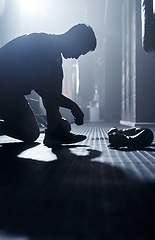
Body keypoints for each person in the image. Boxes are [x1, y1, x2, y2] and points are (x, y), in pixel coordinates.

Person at [0, 24, 97, 146]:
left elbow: (49, 91)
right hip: (3, 90)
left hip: (10, 92)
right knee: (30, 133)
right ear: (73, 39)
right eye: (79, 51)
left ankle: (54, 130)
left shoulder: (55, 56)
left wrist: (56, 118)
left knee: (56, 71)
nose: (76, 56)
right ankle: (54, 128)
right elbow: (41, 87)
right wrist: (73, 107)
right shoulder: (41, 44)